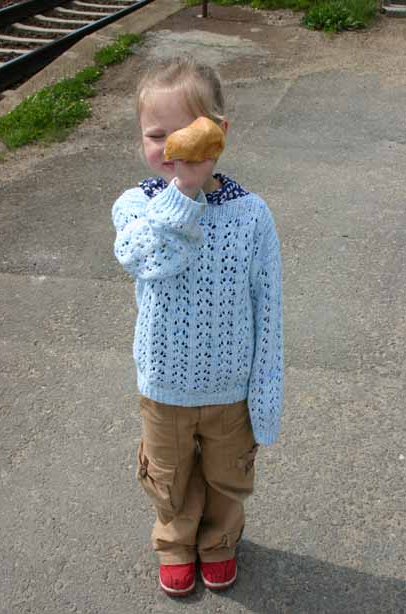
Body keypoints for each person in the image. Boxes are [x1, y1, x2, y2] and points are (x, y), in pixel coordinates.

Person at [111, 57, 284, 597]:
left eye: (180, 134)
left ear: (217, 133)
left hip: (230, 386)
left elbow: (268, 304)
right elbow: (142, 257)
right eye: (154, 135)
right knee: (169, 478)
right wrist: (182, 195)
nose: (168, 149)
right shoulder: (138, 205)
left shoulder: (251, 215)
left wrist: (266, 386)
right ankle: (176, 541)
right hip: (163, 384)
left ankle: (218, 541)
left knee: (227, 476)